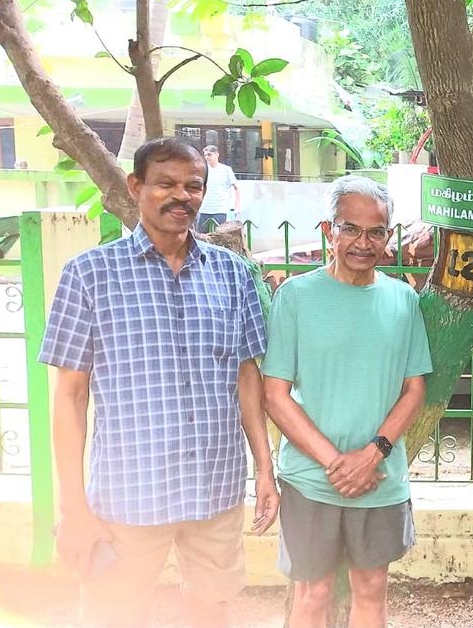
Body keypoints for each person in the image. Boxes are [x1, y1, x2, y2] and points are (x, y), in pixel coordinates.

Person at [39, 136, 278, 626]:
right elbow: (69, 395)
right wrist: (73, 507)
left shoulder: (232, 274)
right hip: (128, 496)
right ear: (135, 186)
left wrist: (264, 467)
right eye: (165, 183)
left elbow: (247, 376)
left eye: (194, 186)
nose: (181, 196)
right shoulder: (89, 274)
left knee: (211, 612)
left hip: (215, 487)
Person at [261, 175, 432, 628]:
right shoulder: (295, 297)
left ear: (389, 236)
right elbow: (275, 395)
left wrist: (372, 453)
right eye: (350, 228)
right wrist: (338, 462)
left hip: (379, 477)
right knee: (313, 593)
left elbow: (414, 388)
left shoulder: (403, 300)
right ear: (327, 231)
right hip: (310, 479)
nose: (363, 241)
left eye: (376, 231)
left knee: (372, 589)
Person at [197, 144, 238, 231]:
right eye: (205, 155)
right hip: (204, 208)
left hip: (220, 209)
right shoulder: (202, 169)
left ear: (217, 155)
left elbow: (236, 188)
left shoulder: (226, 170)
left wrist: (236, 207)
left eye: (209, 154)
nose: (207, 157)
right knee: (200, 236)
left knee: (219, 236)